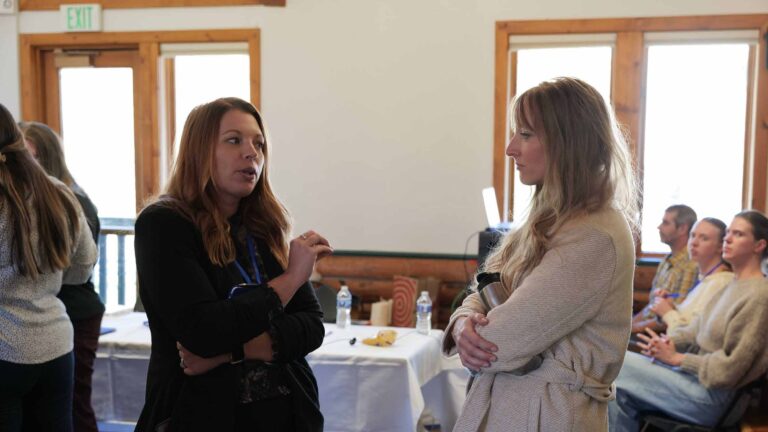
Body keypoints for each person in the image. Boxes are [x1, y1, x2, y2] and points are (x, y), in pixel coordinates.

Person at [442, 77, 638, 431]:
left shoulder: (594, 235)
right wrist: (461, 321)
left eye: (526, 135)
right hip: (516, 404)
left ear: (568, 144)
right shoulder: (550, 218)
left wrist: (472, 329)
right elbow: (487, 285)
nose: (510, 148)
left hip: (549, 414)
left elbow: (497, 342)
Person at [134, 97, 332, 432]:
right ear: (199, 151)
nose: (251, 152)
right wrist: (291, 279)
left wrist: (233, 353)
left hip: (285, 414)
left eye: (259, 143)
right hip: (202, 414)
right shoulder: (164, 224)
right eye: (233, 140)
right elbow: (203, 333)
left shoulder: (261, 225)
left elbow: (311, 327)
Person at [609, 210, 768, 430]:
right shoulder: (733, 285)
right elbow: (695, 329)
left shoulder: (759, 295)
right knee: (617, 395)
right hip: (692, 381)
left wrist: (677, 358)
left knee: (614, 361)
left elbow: (731, 370)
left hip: (711, 398)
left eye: (738, 234)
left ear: (759, 246)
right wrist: (670, 343)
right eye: (728, 232)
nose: (728, 239)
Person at [0, 103, 97, 431]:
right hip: (55, 343)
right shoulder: (58, 192)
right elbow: (83, 267)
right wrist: (44, 278)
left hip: (5, 349)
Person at [651, 217, 733, 333]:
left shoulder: (719, 282)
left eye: (704, 238)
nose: (694, 243)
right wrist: (670, 305)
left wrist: (667, 312)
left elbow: (694, 335)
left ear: (720, 247)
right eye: (692, 235)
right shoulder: (704, 278)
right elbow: (688, 319)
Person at [631, 205, 698, 334]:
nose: (659, 227)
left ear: (683, 228)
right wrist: (630, 325)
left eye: (666, 223)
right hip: (647, 330)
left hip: (663, 336)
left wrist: (634, 329)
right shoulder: (667, 261)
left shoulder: (690, 265)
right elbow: (652, 306)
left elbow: (676, 314)